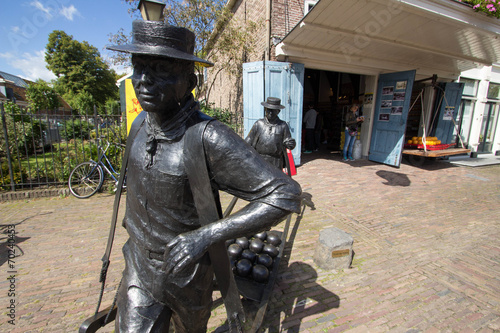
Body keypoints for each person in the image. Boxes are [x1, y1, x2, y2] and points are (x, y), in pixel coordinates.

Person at [107, 21, 302, 332]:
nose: (144, 80)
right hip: (139, 265)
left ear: (190, 80)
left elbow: (286, 195)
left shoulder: (207, 137)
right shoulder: (139, 125)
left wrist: (205, 236)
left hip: (187, 276)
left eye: (160, 69)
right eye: (139, 67)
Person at [245, 97, 296, 170]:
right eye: (268, 110)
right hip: (259, 159)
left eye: (273, 110)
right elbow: (249, 139)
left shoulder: (283, 125)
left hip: (276, 161)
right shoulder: (259, 124)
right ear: (265, 109)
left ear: (278, 111)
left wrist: (291, 144)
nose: (270, 113)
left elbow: (288, 140)